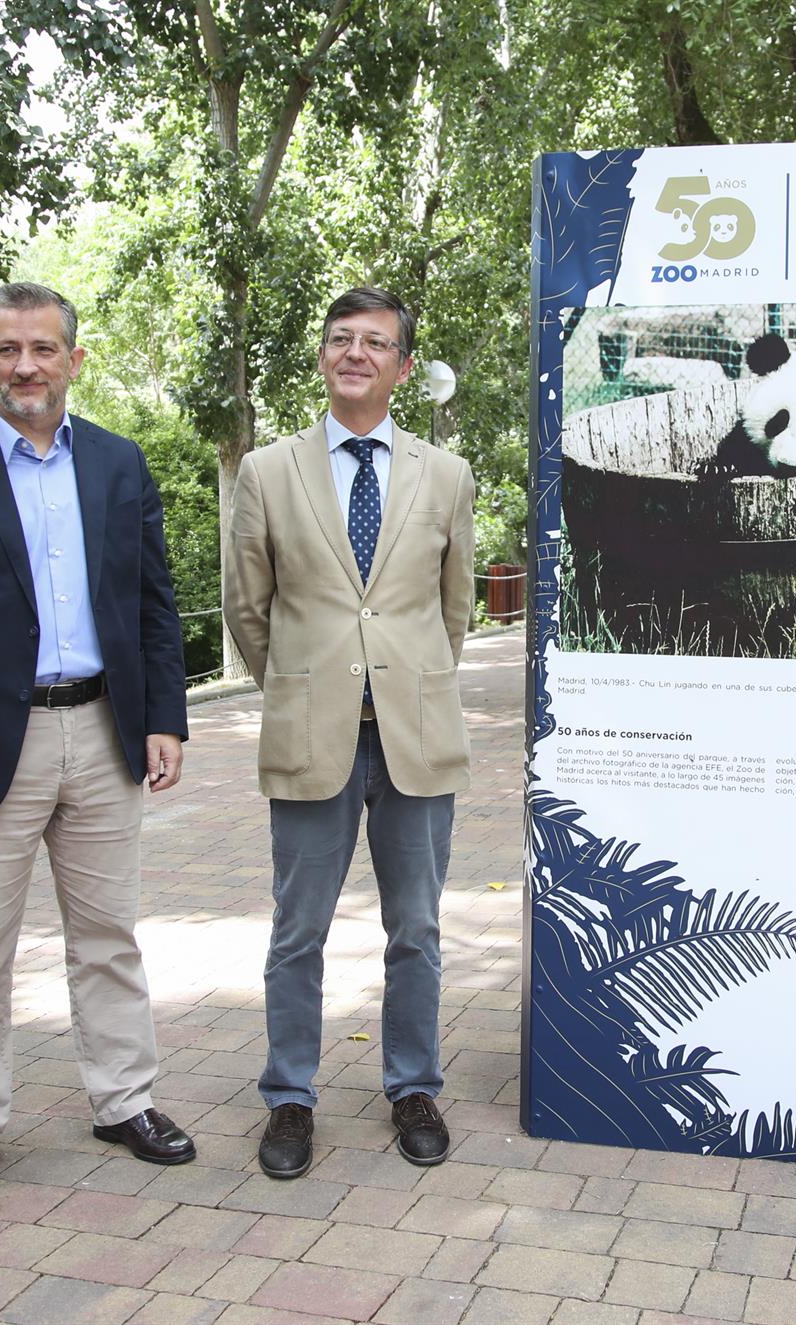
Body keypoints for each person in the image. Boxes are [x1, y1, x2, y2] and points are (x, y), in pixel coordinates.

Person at [0, 281, 197, 1208]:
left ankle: (124, 1099)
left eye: (43, 349)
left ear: (74, 359)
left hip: (104, 732)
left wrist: (163, 717)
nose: (26, 366)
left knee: (109, 937)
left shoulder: (118, 464)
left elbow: (153, 605)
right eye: (8, 349)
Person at [223, 286, 475, 1179]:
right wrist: (305, 684)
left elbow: (456, 610)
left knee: (417, 928)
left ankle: (413, 1084)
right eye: (341, 340)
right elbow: (247, 610)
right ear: (324, 358)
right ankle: (289, 1098)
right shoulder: (268, 471)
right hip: (310, 733)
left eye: (376, 342)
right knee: (298, 932)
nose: (355, 353)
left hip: (416, 735)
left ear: (404, 366)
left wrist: (399, 682)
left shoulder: (446, 475)